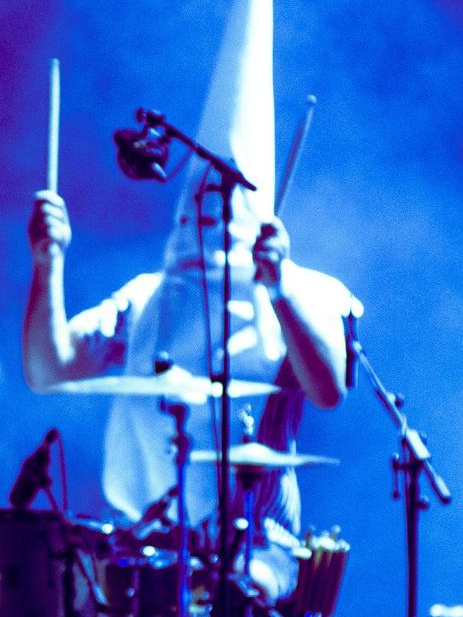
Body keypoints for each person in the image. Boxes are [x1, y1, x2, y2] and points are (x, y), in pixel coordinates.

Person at [20, 186, 353, 596]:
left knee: (239, 595)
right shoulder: (146, 297)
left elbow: (327, 390)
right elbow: (49, 370)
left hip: (255, 547)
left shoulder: (307, 290)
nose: (210, 218)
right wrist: (47, 263)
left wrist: (279, 288)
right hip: (138, 540)